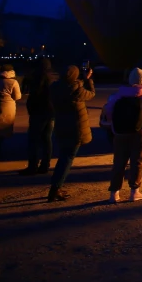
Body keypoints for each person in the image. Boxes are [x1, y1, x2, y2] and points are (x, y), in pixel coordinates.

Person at [102, 67, 142, 203]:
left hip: (120, 132)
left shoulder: (119, 95)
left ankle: (114, 193)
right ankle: (134, 191)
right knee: (138, 160)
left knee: (119, 161)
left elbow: (108, 111)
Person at [47, 64, 95, 202]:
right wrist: (87, 80)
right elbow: (91, 94)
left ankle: (56, 187)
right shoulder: (76, 90)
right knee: (66, 159)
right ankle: (55, 188)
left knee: (64, 156)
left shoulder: (55, 88)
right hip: (75, 129)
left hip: (62, 126)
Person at [19, 58, 55, 175]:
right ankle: (45, 165)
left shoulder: (38, 77)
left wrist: (31, 108)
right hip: (50, 112)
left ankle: (33, 166)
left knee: (34, 140)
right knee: (46, 139)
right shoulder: (51, 77)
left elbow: (35, 96)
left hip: (39, 112)